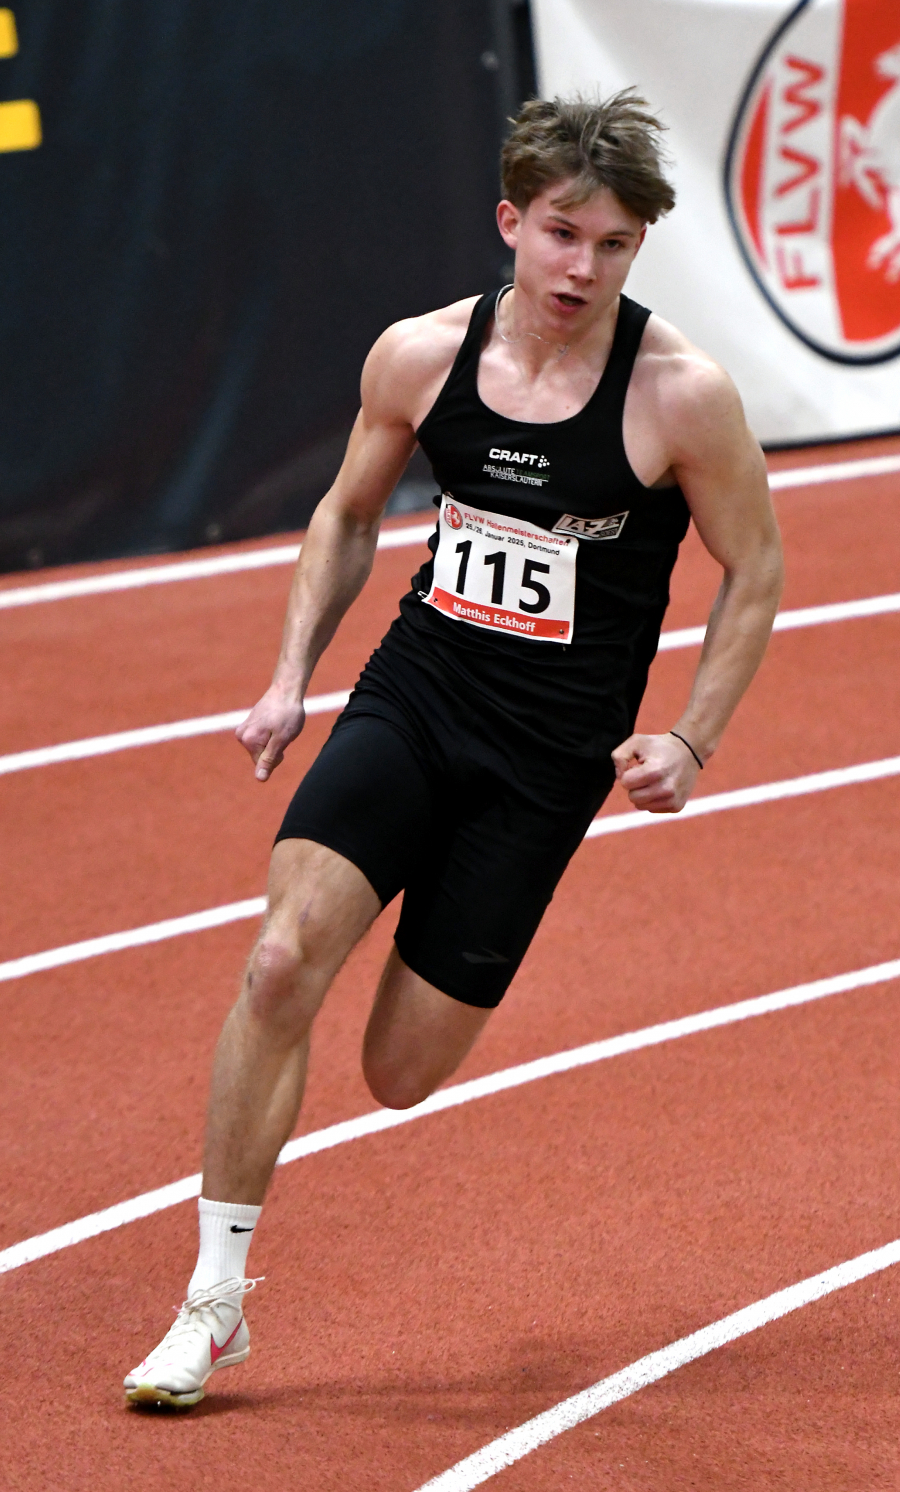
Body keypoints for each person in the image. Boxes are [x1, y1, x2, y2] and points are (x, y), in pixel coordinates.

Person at [124, 91, 783, 1407]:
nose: (580, 269)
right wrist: (289, 677)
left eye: (609, 245)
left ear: (638, 249)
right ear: (510, 222)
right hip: (415, 697)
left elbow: (755, 568)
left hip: (545, 763)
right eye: (559, 235)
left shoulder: (681, 397)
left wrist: (693, 742)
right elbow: (347, 513)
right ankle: (212, 1304)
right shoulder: (420, 356)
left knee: (399, 1076)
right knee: (275, 961)